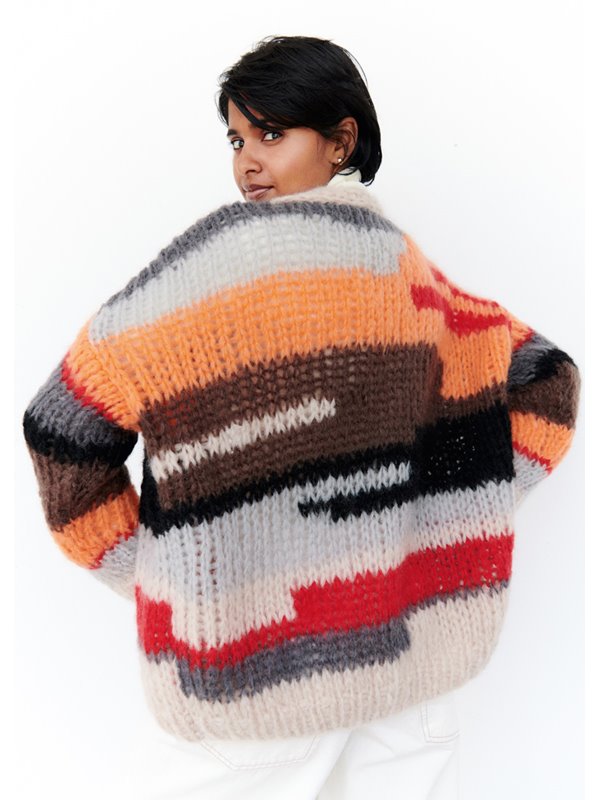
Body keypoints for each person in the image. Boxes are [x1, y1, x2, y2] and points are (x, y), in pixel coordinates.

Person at [22, 35, 581, 800]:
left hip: (255, 683)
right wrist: (454, 511)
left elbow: (61, 432)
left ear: (341, 140)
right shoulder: (413, 277)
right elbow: (550, 382)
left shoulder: (200, 280)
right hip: (412, 680)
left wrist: (155, 574)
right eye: (236, 140)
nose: (248, 162)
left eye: (272, 134)